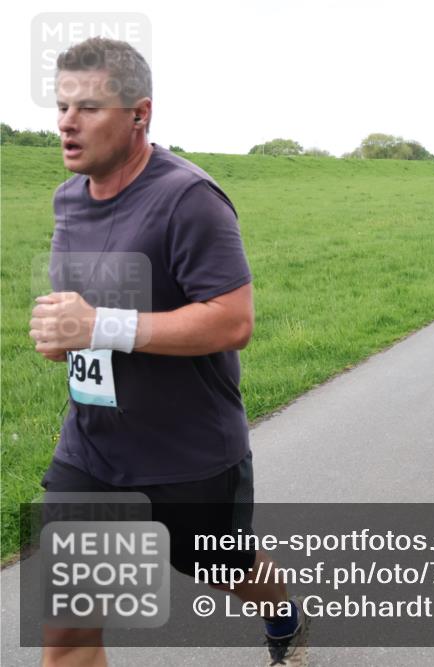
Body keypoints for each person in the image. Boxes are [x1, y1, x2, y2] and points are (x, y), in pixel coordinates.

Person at [28, 37, 308, 667]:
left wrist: (102, 325)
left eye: (89, 107)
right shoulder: (67, 199)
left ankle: (281, 611)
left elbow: (233, 321)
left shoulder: (188, 199)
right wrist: (63, 331)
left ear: (139, 114)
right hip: (92, 450)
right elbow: (83, 308)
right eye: (62, 106)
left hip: (189, 454)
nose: (67, 123)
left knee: (220, 564)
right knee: (67, 636)